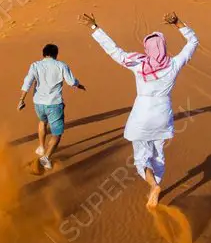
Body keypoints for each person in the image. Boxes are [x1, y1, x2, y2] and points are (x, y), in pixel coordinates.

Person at [80, 11, 198, 208]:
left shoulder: (138, 64)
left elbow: (114, 51)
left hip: (141, 115)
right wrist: (178, 23)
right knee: (158, 155)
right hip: (162, 114)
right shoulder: (174, 64)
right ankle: (156, 187)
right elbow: (193, 42)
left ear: (147, 48)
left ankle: (152, 185)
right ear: (164, 47)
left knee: (141, 157)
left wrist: (95, 27)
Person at [18, 43, 86, 171]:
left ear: (43, 54)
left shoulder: (35, 65)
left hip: (38, 103)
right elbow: (71, 82)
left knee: (42, 122)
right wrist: (78, 85)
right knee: (57, 134)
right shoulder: (61, 66)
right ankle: (46, 158)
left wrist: (21, 100)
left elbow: (27, 82)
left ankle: (41, 147)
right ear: (56, 54)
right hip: (54, 104)